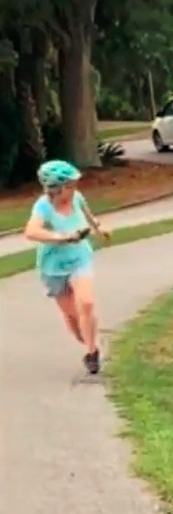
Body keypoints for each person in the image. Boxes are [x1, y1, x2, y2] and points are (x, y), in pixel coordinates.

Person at [23, 159, 111, 374]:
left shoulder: (78, 198)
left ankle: (92, 353)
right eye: (69, 186)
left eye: (74, 185)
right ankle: (85, 338)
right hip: (53, 266)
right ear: (55, 188)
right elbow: (31, 231)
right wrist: (61, 237)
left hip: (79, 257)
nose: (74, 190)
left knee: (87, 304)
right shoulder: (43, 206)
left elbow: (89, 217)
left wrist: (100, 229)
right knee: (73, 317)